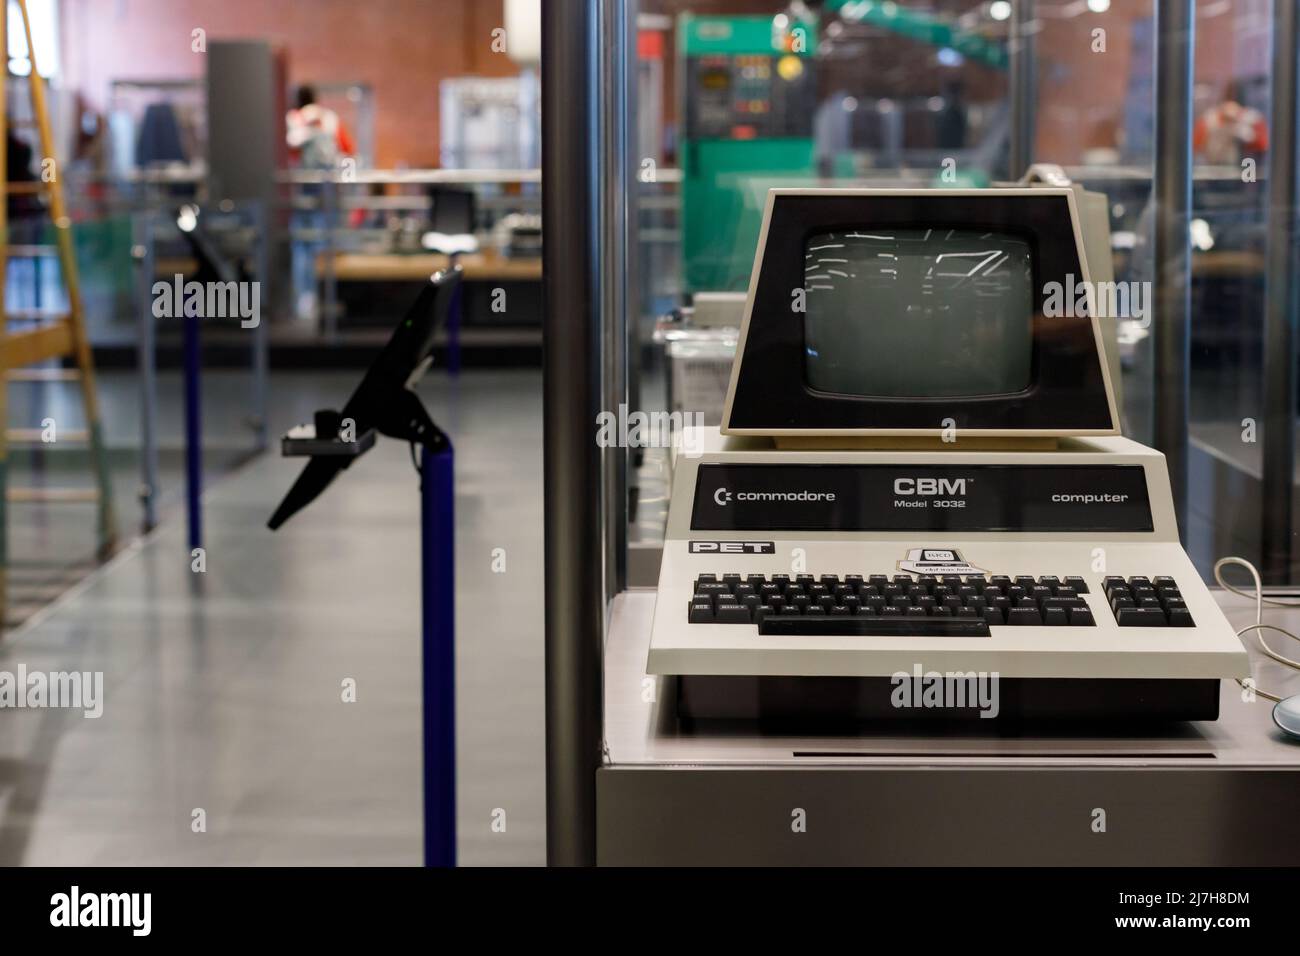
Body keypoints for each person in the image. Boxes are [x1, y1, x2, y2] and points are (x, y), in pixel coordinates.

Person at [286, 85, 355, 321]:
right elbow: (348, 151)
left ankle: (304, 297)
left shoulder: (292, 120)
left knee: (301, 245)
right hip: (327, 193)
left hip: (299, 195)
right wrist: (344, 184)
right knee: (326, 243)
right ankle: (328, 295)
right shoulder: (330, 119)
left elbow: (285, 154)